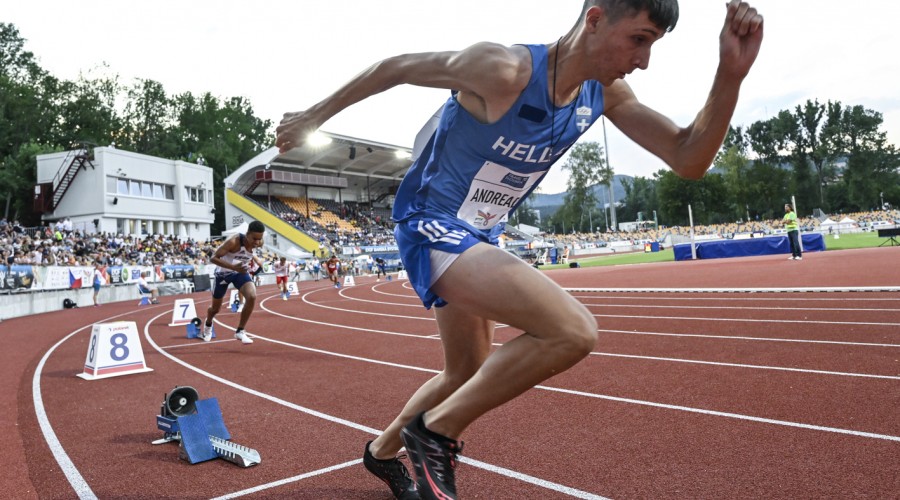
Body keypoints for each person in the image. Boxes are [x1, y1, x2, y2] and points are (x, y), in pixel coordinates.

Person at [276, 1, 763, 498]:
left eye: (653, 45)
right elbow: (395, 67)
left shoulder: (606, 93)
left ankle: (381, 454)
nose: (643, 60)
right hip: (432, 222)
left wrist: (730, 75)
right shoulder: (502, 69)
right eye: (638, 39)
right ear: (594, 19)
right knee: (572, 331)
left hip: (481, 233)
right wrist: (313, 116)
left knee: (465, 370)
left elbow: (688, 159)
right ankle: (433, 433)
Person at [200, 221, 265, 345]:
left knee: (252, 296)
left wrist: (256, 261)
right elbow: (213, 258)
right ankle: (208, 324)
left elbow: (251, 253)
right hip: (223, 274)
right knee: (215, 309)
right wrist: (233, 267)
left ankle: (240, 330)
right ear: (247, 234)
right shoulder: (234, 241)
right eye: (254, 239)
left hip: (240, 272)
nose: (257, 242)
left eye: (259, 239)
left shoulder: (259, 242)